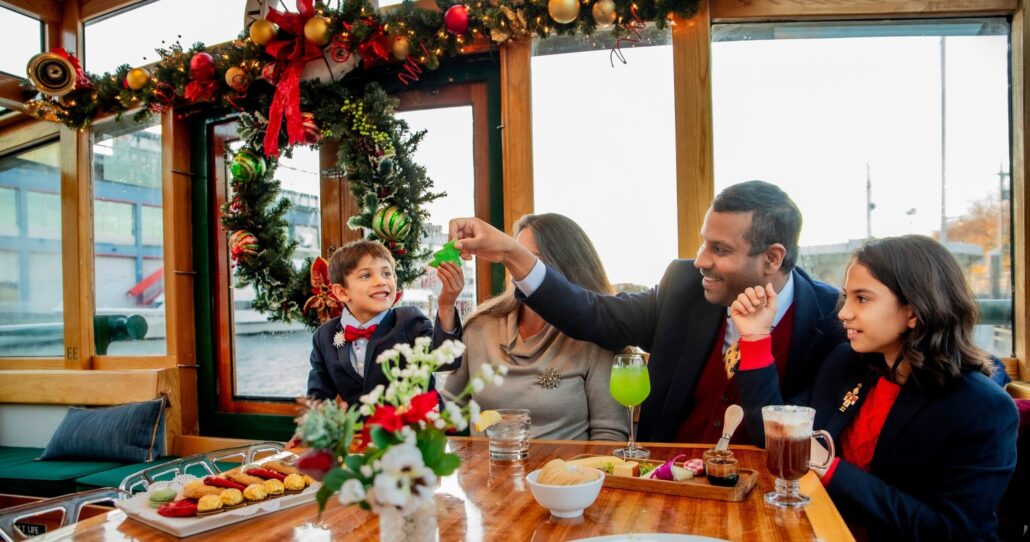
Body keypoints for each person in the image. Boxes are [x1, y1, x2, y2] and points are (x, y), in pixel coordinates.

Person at [448, 181, 845, 444]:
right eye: (703, 243)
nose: (701, 260)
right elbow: (592, 314)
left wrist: (756, 342)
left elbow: (793, 445)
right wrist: (512, 254)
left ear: (772, 258)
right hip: (670, 487)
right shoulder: (683, 288)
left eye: (720, 250)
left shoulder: (829, 322)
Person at [730, 235, 1018, 540]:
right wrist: (756, 337)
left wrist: (830, 469)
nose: (843, 313)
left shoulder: (984, 408)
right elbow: (774, 434)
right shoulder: (846, 363)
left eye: (862, 298)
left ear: (913, 310)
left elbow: (951, 530)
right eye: (846, 296)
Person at [443, 214, 628, 441]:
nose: (517, 267)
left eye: (529, 259)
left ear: (564, 267)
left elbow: (609, 436)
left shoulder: (595, 336)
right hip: (484, 474)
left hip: (562, 475)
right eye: (511, 255)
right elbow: (449, 407)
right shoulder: (479, 327)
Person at [307, 240, 464, 406]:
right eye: (366, 275)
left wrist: (446, 305)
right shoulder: (323, 336)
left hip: (421, 428)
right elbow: (319, 395)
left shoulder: (409, 319)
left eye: (387, 274)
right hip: (363, 431)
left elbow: (446, 360)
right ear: (341, 292)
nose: (381, 281)